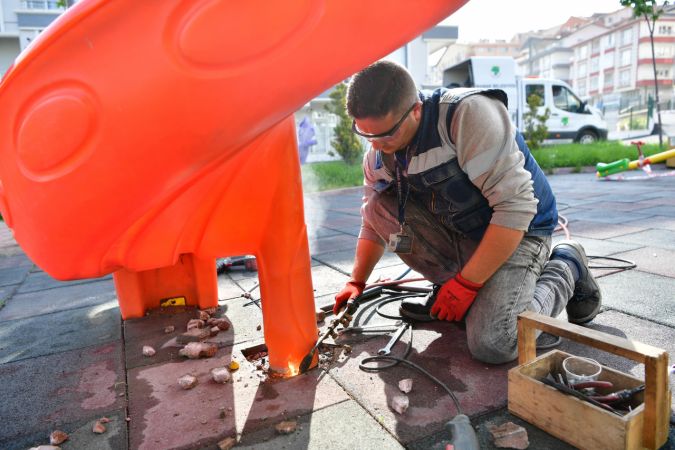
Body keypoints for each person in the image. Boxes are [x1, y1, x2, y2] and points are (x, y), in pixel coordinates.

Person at [332, 60, 601, 364]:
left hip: (521, 230)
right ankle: (459, 287)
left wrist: (467, 285)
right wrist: (357, 281)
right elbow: (375, 222)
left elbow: (515, 208)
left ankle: (567, 264)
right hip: (463, 230)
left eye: (386, 134)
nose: (377, 145)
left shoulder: (466, 116)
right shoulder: (379, 154)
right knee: (378, 205)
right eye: (367, 135)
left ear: (416, 110)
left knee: (495, 341)